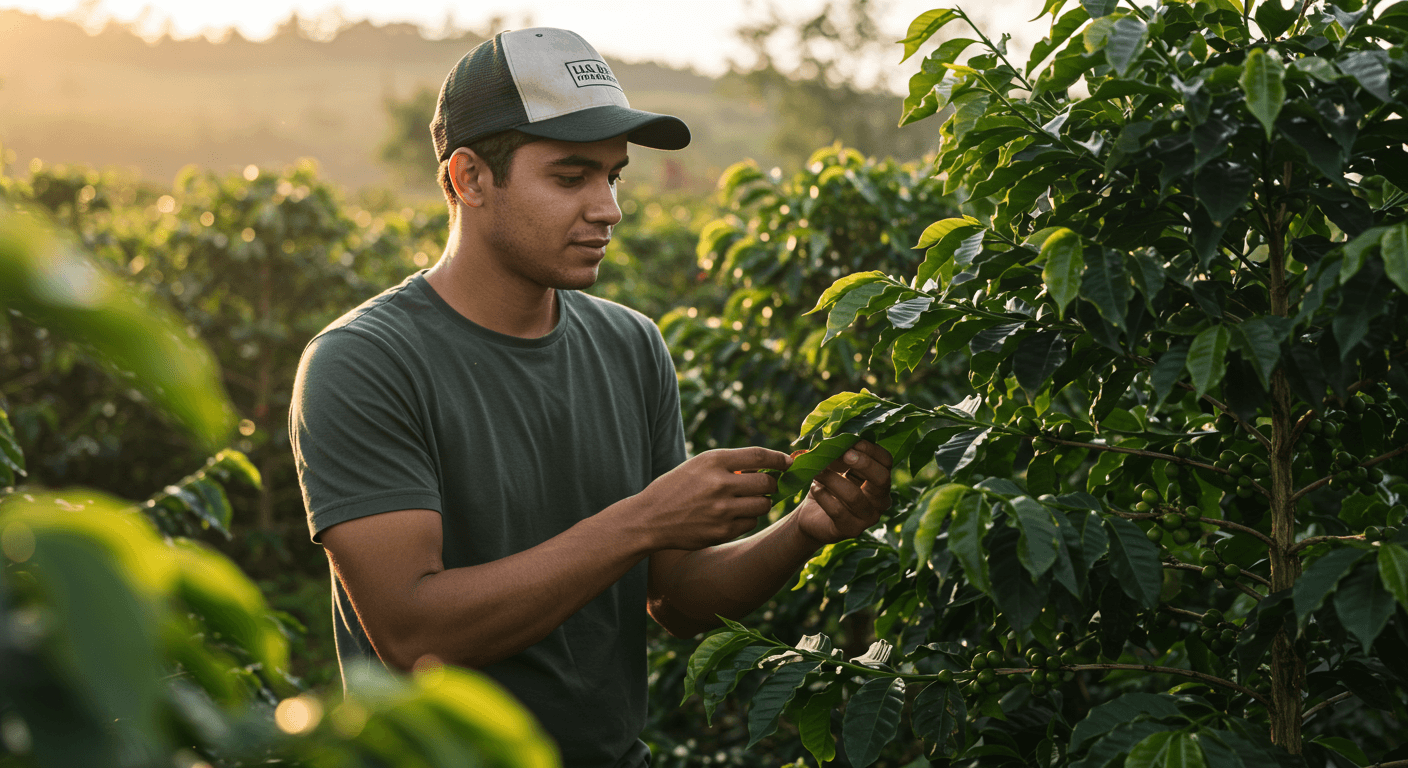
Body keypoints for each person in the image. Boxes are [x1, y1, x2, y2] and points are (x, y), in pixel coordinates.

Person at [289, 27, 892, 768]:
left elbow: (675, 597)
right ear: (469, 178)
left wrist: (801, 530)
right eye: (571, 178)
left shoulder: (630, 346)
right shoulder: (364, 363)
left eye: (614, 177)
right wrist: (643, 519)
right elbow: (416, 636)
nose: (608, 208)